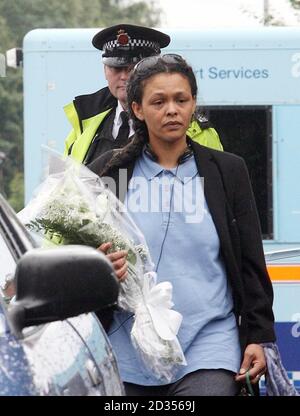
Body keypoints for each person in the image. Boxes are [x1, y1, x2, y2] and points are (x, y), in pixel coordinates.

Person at [88, 54, 275, 396]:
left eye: (181, 99)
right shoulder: (110, 172)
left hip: (209, 347)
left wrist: (259, 336)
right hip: (126, 352)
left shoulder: (227, 171)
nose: (172, 109)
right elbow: (87, 252)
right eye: (158, 101)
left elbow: (251, 261)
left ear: (193, 105)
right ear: (138, 110)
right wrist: (98, 265)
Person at [63, 24, 223, 165]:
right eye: (116, 68)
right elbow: (64, 189)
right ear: (105, 70)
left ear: (156, 72)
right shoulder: (86, 125)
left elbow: (214, 192)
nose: (124, 76)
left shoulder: (195, 131)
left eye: (133, 68)